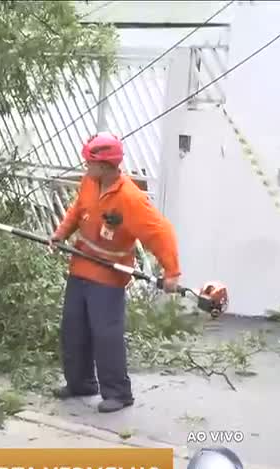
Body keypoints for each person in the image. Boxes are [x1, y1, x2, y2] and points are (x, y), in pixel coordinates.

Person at [48, 132, 181, 413]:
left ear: (106, 165)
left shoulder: (130, 198)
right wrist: (60, 235)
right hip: (81, 265)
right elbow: (77, 210)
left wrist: (172, 272)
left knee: (106, 334)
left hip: (108, 276)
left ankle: (119, 393)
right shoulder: (89, 182)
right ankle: (81, 382)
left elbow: (161, 232)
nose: (85, 167)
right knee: (73, 328)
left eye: (89, 162)